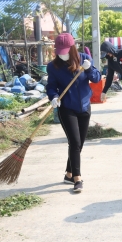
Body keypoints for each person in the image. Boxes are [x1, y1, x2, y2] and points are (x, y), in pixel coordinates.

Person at [46, 33, 101, 193]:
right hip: (66, 108)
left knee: (79, 144)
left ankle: (69, 174)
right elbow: (51, 86)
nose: (62, 55)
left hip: (84, 107)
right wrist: (53, 96)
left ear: (72, 48)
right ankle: (77, 178)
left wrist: (89, 68)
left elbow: (97, 78)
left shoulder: (84, 59)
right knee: (75, 142)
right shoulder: (53, 66)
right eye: (59, 51)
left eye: (65, 51)